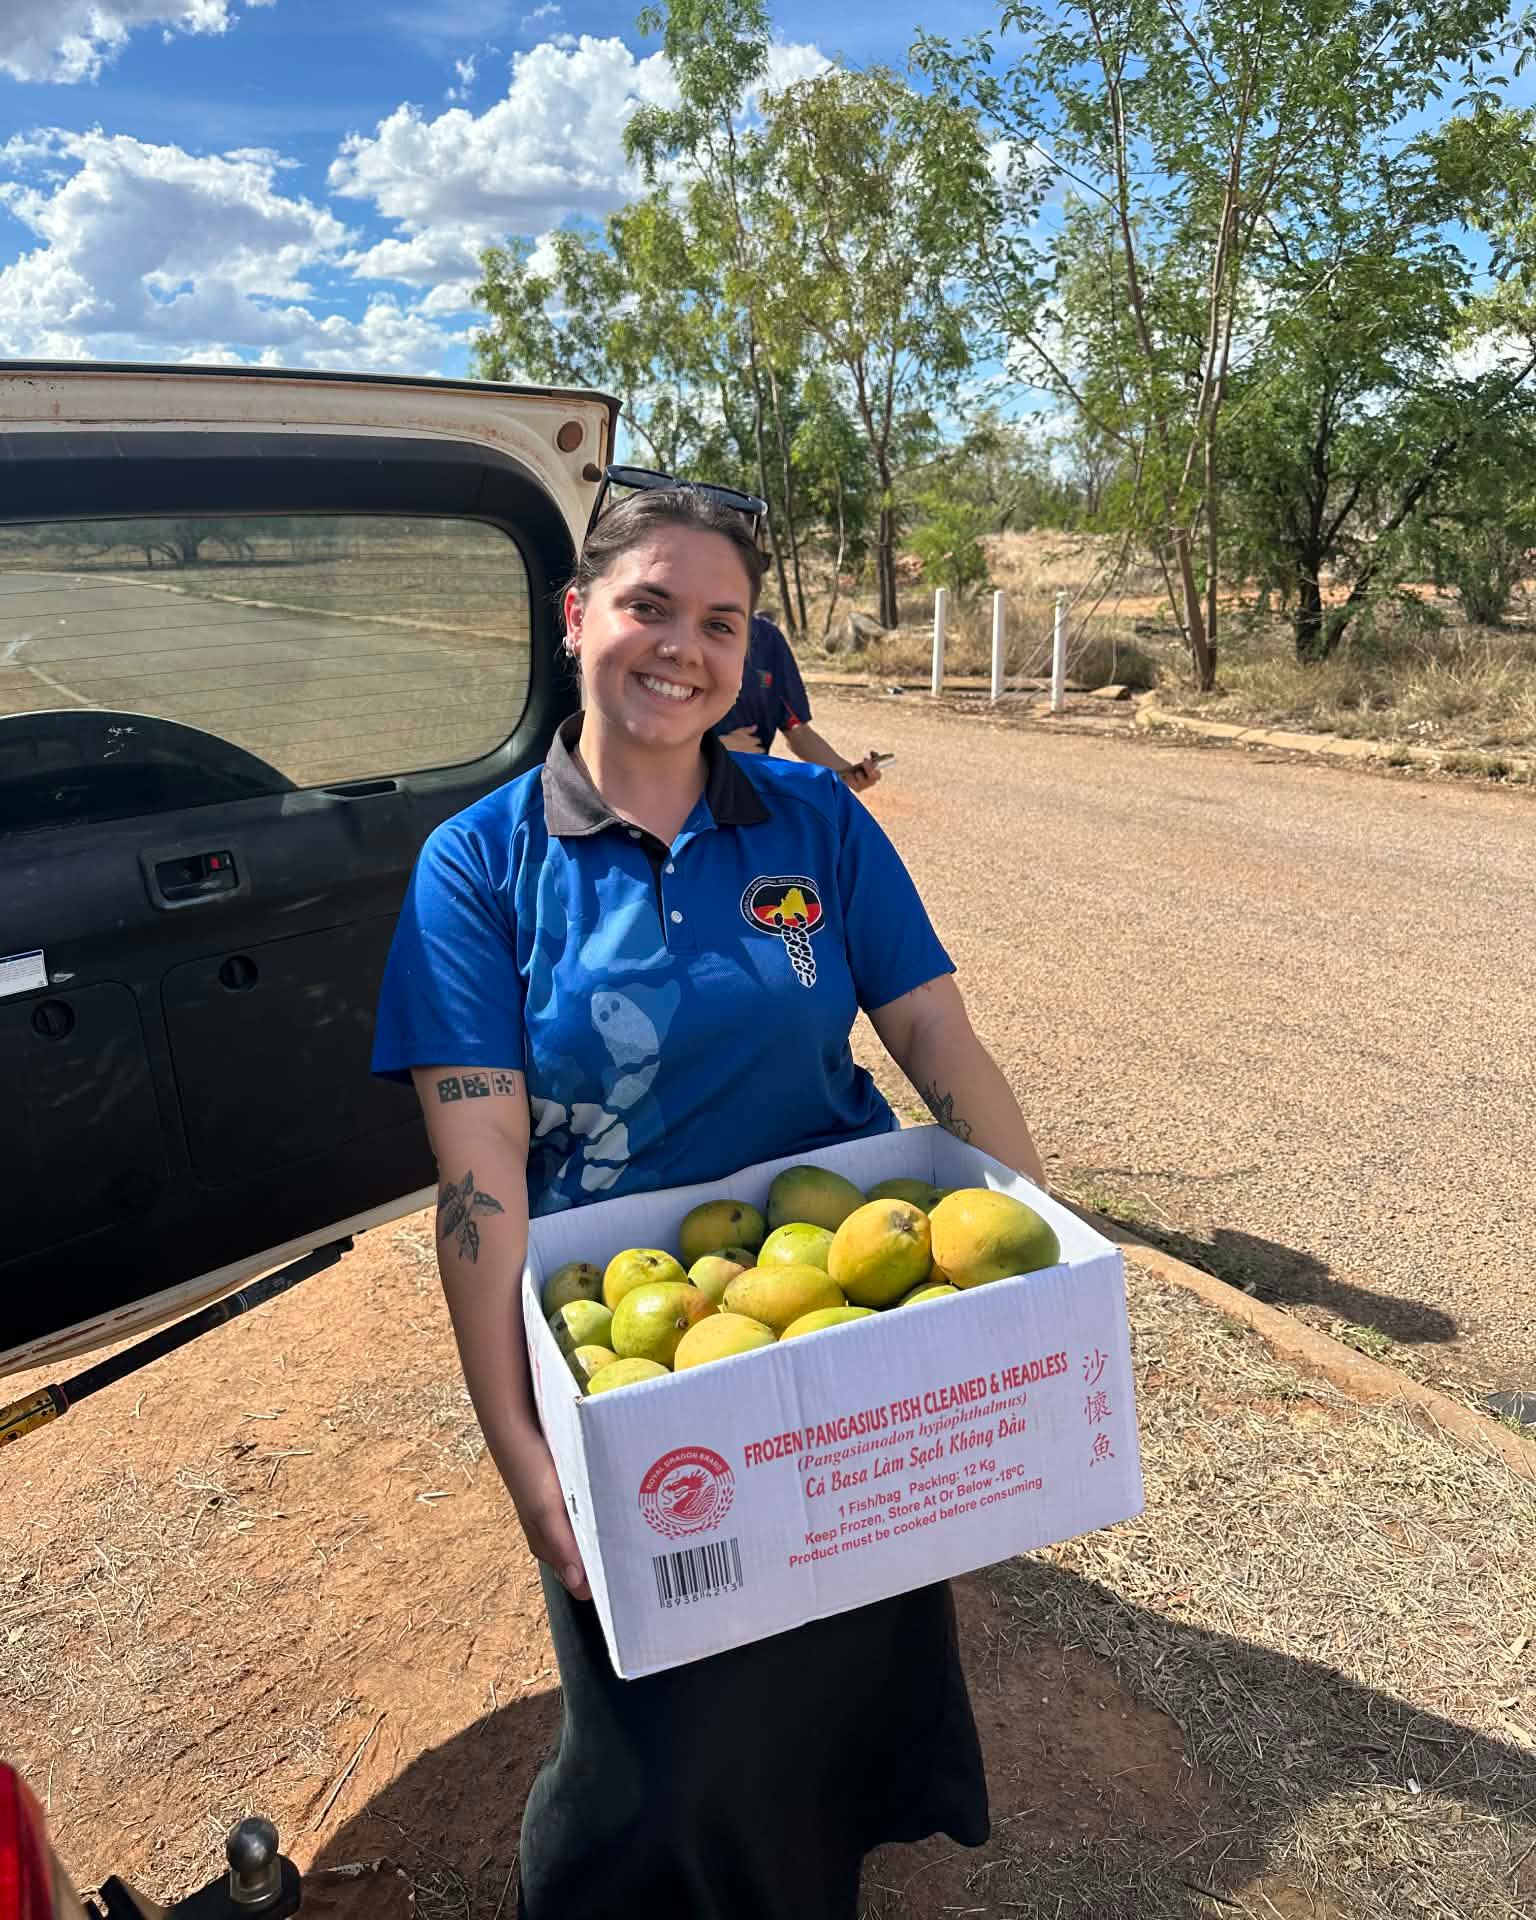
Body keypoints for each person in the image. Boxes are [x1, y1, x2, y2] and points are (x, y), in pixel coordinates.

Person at [370, 483, 1047, 1920]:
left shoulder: (810, 820)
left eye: (722, 622)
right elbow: (480, 1176)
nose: (683, 648)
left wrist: (1046, 1277)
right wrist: (520, 1447)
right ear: (576, 623)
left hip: (850, 1315)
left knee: (844, 1676)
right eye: (649, 608)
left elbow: (936, 1041)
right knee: (656, 1744)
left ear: (752, 650)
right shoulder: (479, 866)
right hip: (635, 1358)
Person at [715, 609, 885, 792]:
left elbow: (798, 733)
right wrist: (713, 749)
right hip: (687, 801)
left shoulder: (767, 639)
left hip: (749, 793)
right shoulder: (684, 633)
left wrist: (846, 774)